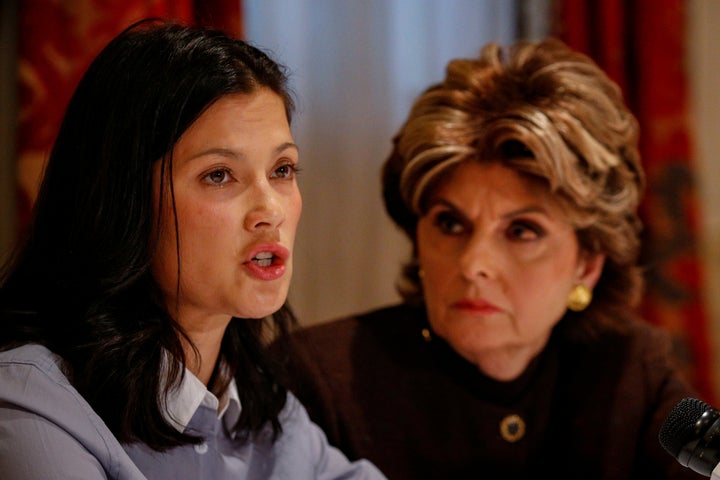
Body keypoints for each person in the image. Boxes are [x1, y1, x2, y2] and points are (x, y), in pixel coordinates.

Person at [273, 38, 706, 479]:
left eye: (522, 231)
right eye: (449, 223)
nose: (473, 263)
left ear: (588, 264)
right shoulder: (320, 379)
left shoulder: (629, 370)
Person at [0, 19, 385, 480]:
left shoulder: (265, 411)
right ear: (124, 200)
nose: (270, 210)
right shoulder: (31, 403)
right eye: (219, 174)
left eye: (282, 169)